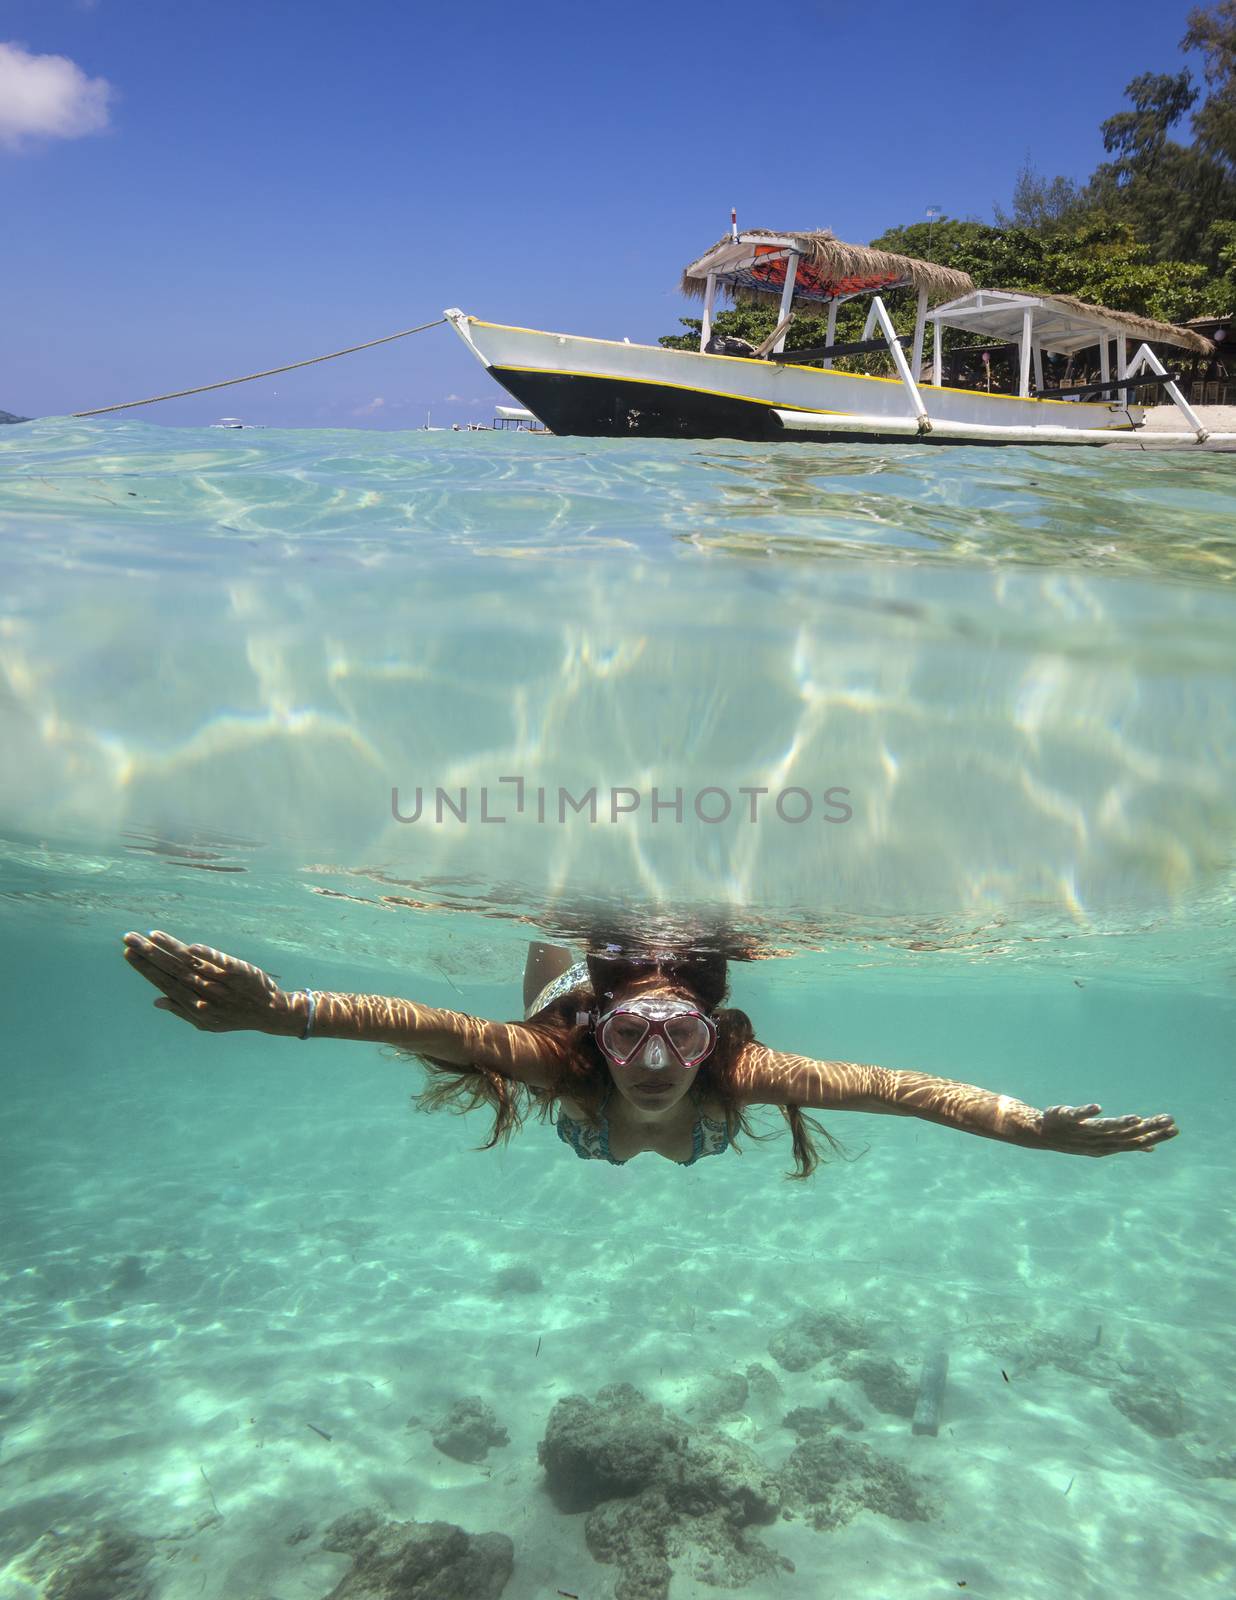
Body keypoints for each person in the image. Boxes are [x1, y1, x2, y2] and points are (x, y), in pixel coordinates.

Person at [121, 930, 1178, 1178]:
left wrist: (1028, 1126)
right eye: (631, 1031)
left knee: (671, 1141)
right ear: (602, 1036)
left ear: (714, 1037)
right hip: (562, 1014)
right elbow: (423, 1025)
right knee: (550, 1000)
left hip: (663, 1111)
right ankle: (572, 979)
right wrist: (286, 1007)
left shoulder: (732, 1077)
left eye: (681, 1030)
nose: (657, 1057)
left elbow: (906, 1093)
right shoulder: (565, 1060)